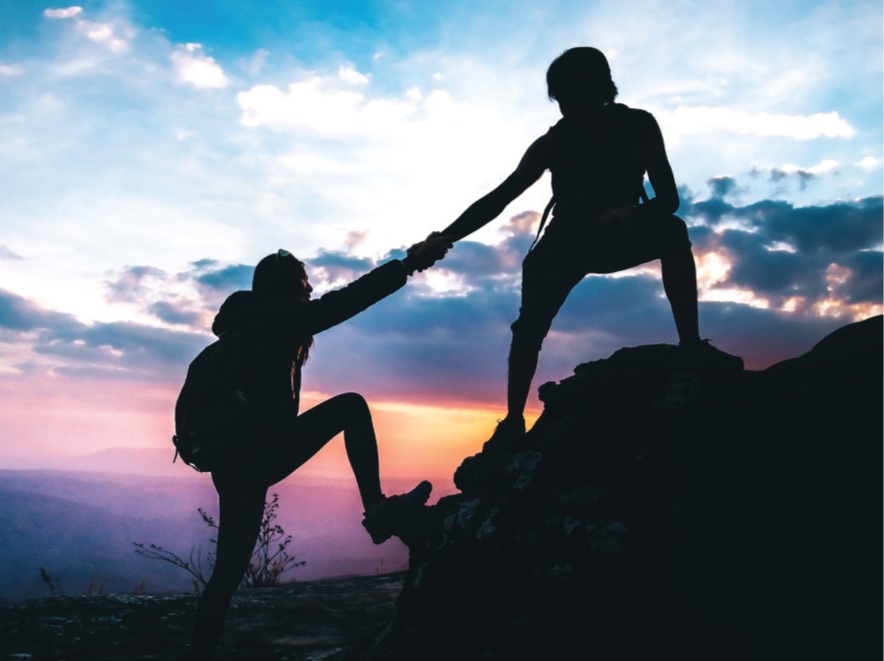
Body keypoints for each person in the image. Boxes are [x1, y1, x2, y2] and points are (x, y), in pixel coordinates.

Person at [437, 46, 742, 449]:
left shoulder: (639, 125)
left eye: (565, 96)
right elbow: (501, 197)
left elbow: (668, 200)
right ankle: (513, 419)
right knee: (529, 329)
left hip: (619, 233)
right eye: (558, 99)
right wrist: (446, 236)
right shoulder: (554, 141)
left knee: (673, 231)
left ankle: (689, 351)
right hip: (564, 242)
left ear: (591, 89)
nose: (561, 107)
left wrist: (632, 214)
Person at [183, 235, 451, 659]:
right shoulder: (281, 320)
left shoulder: (244, 327)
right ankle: (377, 512)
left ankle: (198, 654)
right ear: (288, 290)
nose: (310, 292)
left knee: (227, 575)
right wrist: (407, 265)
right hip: (261, 454)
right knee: (351, 408)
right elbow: (351, 299)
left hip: (233, 464)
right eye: (304, 285)